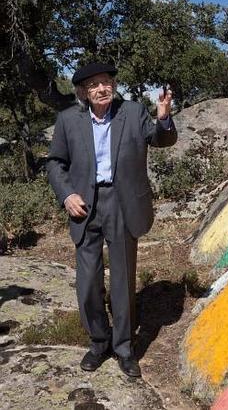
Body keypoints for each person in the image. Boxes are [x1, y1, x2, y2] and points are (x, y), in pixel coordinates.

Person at [47, 62, 177, 378]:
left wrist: (163, 118)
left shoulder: (132, 112)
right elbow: (55, 163)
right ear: (83, 92)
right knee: (88, 283)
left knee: (122, 280)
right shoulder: (68, 120)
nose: (102, 89)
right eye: (94, 85)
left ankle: (123, 348)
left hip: (122, 204)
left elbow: (161, 140)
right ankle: (98, 342)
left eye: (106, 82)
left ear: (113, 85)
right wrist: (66, 195)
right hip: (84, 206)